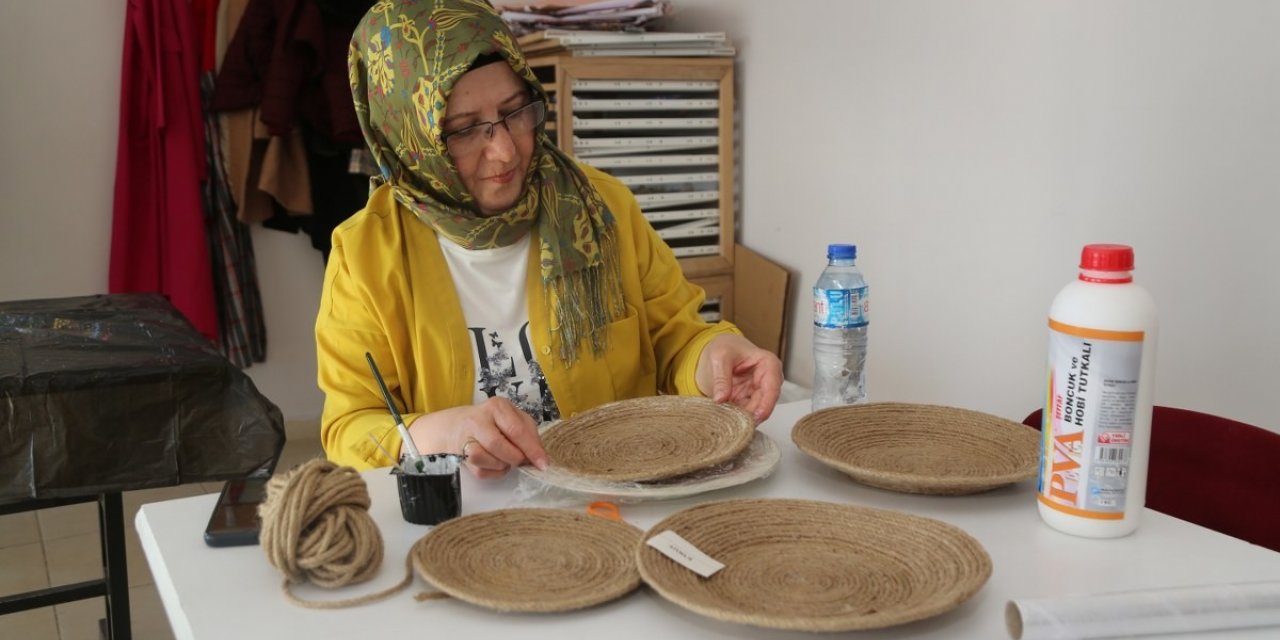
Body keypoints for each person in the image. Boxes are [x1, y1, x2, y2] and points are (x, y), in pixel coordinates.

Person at [317, 0, 782, 478]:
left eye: (516, 112)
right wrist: (440, 433)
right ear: (409, 140)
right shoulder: (366, 255)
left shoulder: (601, 208)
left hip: (612, 491)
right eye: (463, 131)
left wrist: (714, 360)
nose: (503, 151)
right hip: (468, 519)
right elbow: (350, 427)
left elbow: (675, 339)